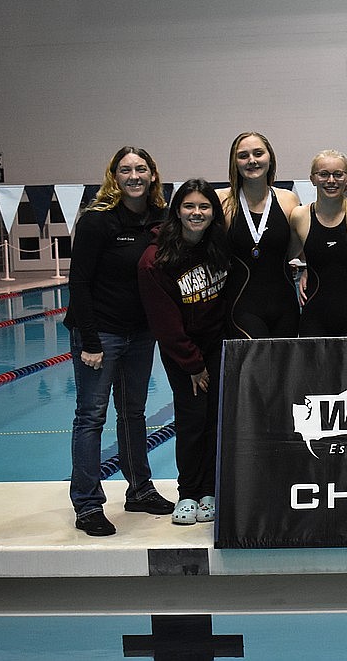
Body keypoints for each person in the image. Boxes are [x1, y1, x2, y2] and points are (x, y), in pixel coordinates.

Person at [66, 146, 174, 536]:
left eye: (141, 168)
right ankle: (88, 504)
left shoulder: (161, 218)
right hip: (101, 334)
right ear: (114, 175)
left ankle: (140, 490)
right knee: (91, 417)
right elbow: (78, 282)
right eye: (126, 169)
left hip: (141, 334)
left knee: (134, 414)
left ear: (152, 174)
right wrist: (90, 340)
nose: (134, 176)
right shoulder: (98, 221)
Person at [138, 180, 230, 526]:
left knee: (216, 421)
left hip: (218, 348)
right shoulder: (156, 260)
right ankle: (188, 492)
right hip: (184, 356)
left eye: (204, 207)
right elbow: (165, 325)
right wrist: (193, 365)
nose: (197, 213)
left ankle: (210, 489)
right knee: (192, 420)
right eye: (189, 206)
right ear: (177, 211)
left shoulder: (217, 246)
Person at [216, 132, 301, 339]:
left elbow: (300, 247)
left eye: (258, 153)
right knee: (255, 368)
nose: (251, 160)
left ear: (269, 158)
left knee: (284, 369)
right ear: (234, 162)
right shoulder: (222, 200)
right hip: (242, 305)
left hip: (285, 304)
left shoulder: (288, 199)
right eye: (243, 155)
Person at [291, 150, 347, 337]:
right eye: (323, 174)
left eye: (338, 174)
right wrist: (307, 268)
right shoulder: (300, 216)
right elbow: (285, 256)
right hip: (314, 316)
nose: (331, 180)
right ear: (312, 179)